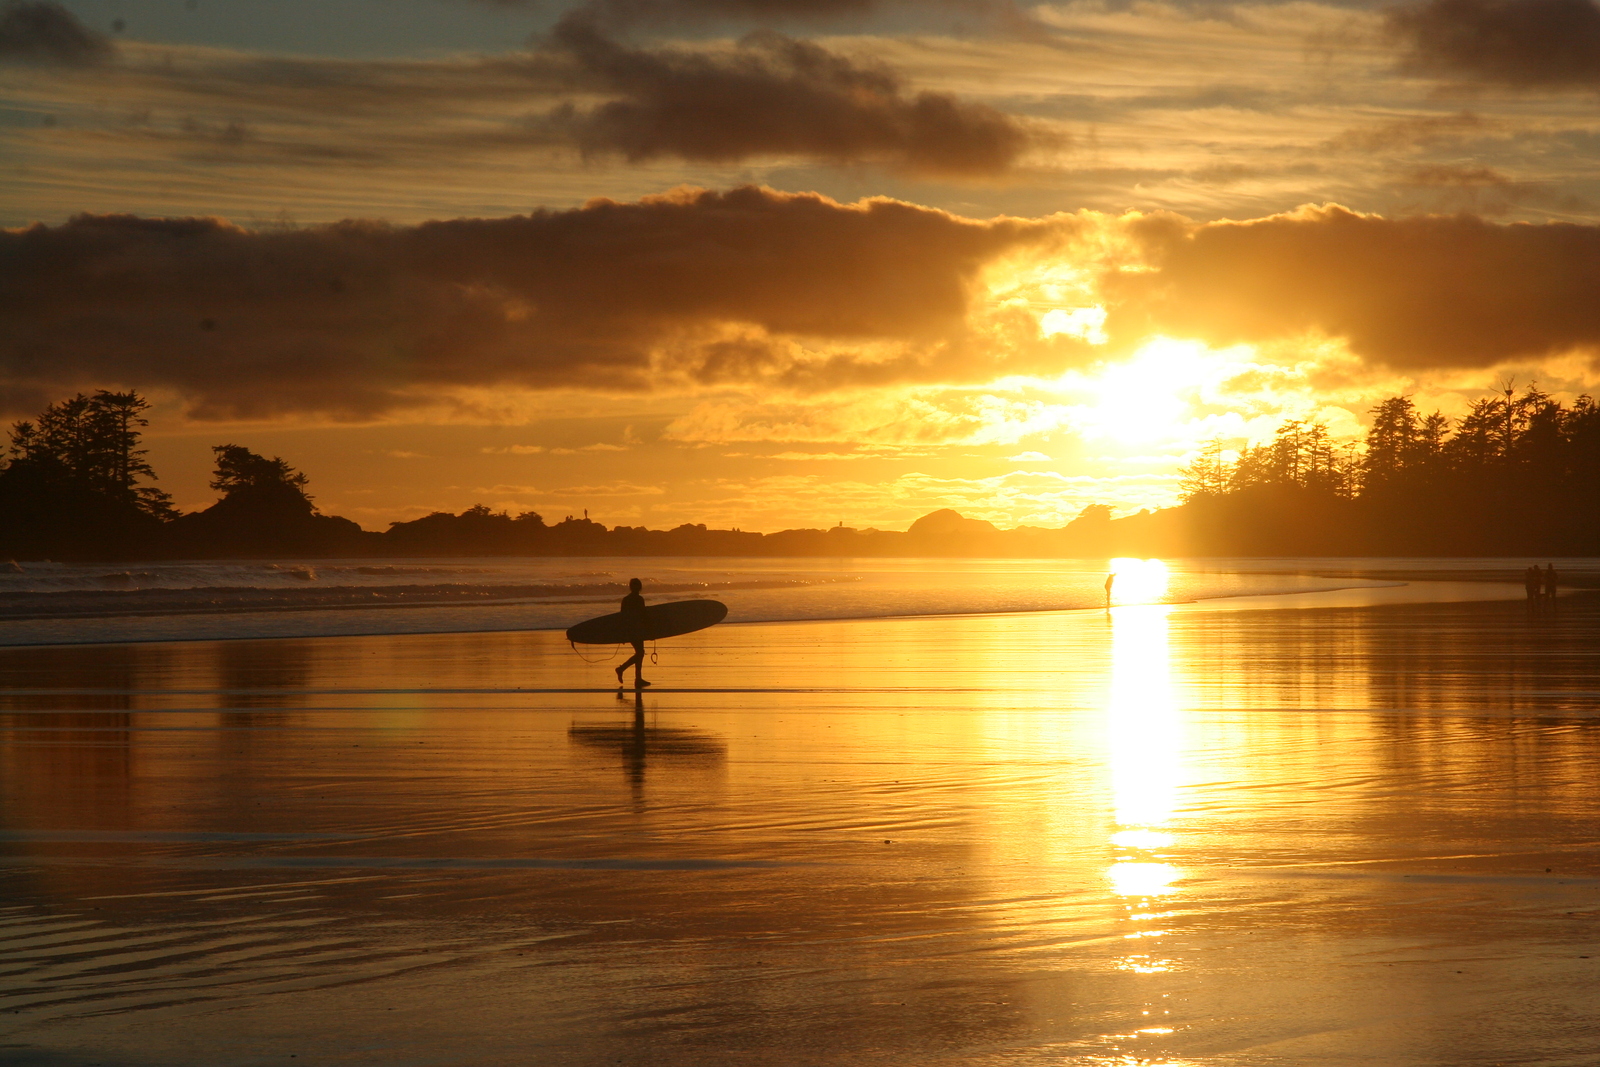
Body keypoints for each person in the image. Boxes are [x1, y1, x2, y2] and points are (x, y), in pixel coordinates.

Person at [615, 577, 650, 689]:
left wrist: (622, 633)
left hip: (633, 630)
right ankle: (622, 669)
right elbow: (643, 616)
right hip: (636, 630)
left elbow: (622, 617)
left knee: (640, 653)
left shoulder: (626, 599)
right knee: (640, 653)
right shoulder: (639, 599)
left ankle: (637, 678)